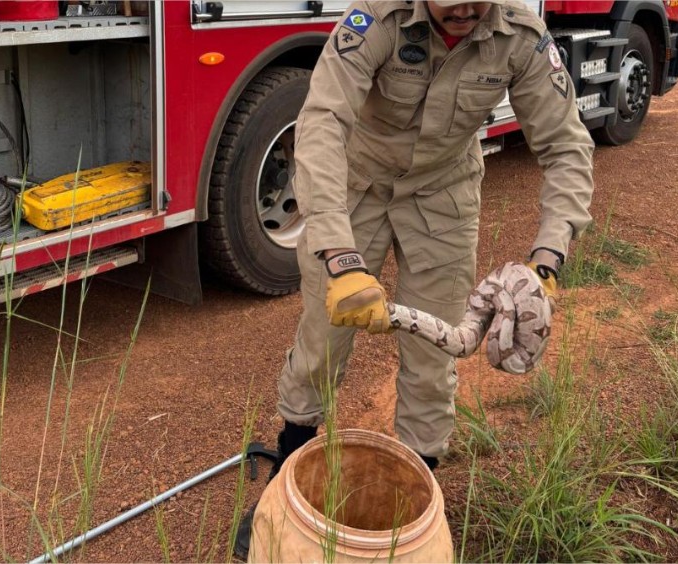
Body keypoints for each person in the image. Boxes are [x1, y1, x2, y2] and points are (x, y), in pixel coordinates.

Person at [236, 0, 593, 555]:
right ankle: (285, 477)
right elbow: (323, 123)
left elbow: (566, 145)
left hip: (443, 197)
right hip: (353, 191)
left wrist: (547, 262)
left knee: (435, 358)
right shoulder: (375, 21)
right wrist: (338, 255)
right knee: (323, 341)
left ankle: (416, 511)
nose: (467, 9)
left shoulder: (521, 35)